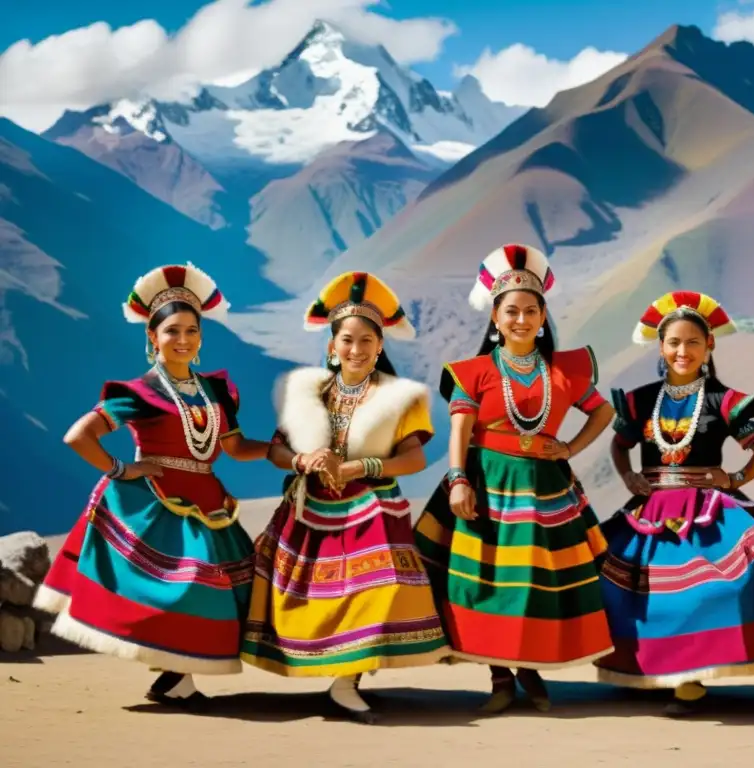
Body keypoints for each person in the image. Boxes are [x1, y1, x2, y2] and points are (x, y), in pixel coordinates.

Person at [33, 263, 272, 709]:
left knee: (227, 589)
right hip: (161, 502)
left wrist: (282, 450)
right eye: (172, 331)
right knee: (188, 586)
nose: (183, 340)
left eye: (191, 331)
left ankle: (175, 679)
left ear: (201, 337)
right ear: (152, 337)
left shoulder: (217, 391)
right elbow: (78, 436)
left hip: (209, 498)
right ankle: (176, 676)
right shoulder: (139, 391)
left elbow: (235, 448)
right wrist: (121, 470)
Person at [413, 243, 615, 714]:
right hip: (486, 485)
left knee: (531, 581)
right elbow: (460, 429)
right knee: (487, 581)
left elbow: (601, 412)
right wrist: (459, 478)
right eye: (511, 311)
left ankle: (529, 666)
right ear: (495, 319)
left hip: (544, 490)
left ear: (543, 316)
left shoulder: (565, 370)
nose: (520, 319)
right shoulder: (474, 372)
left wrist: (569, 448)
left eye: (530, 310)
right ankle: (500, 676)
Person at [241, 271, 449, 723]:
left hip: (372, 509)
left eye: (367, 341)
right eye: (348, 340)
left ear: (380, 346)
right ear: (332, 345)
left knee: (378, 588)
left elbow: (414, 459)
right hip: (309, 509)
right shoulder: (307, 393)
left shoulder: (400, 398)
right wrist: (302, 461)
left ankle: (345, 682)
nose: (356, 350)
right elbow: (276, 448)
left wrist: (363, 467)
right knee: (312, 594)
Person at [595, 290, 754, 715]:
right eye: (673, 343)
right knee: (634, 593)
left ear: (709, 346)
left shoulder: (724, 400)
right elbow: (620, 444)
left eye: (692, 342)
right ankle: (646, 672)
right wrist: (629, 475)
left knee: (703, 593)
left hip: (706, 511)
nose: (682, 351)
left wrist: (735, 479)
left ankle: (689, 679)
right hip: (649, 510)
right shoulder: (641, 399)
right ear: (661, 346)